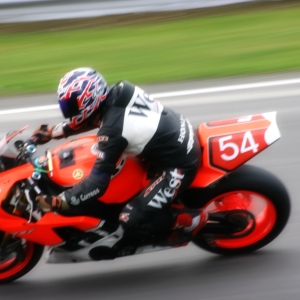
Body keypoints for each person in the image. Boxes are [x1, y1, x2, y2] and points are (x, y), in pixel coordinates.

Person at [34, 67, 207, 242]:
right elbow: (94, 119)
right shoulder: (121, 90)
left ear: (90, 99)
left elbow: (97, 183)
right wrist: (52, 133)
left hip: (178, 164)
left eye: (71, 105)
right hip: (176, 135)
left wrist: (61, 201)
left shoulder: (112, 130)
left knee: (128, 220)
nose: (68, 110)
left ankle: (190, 220)